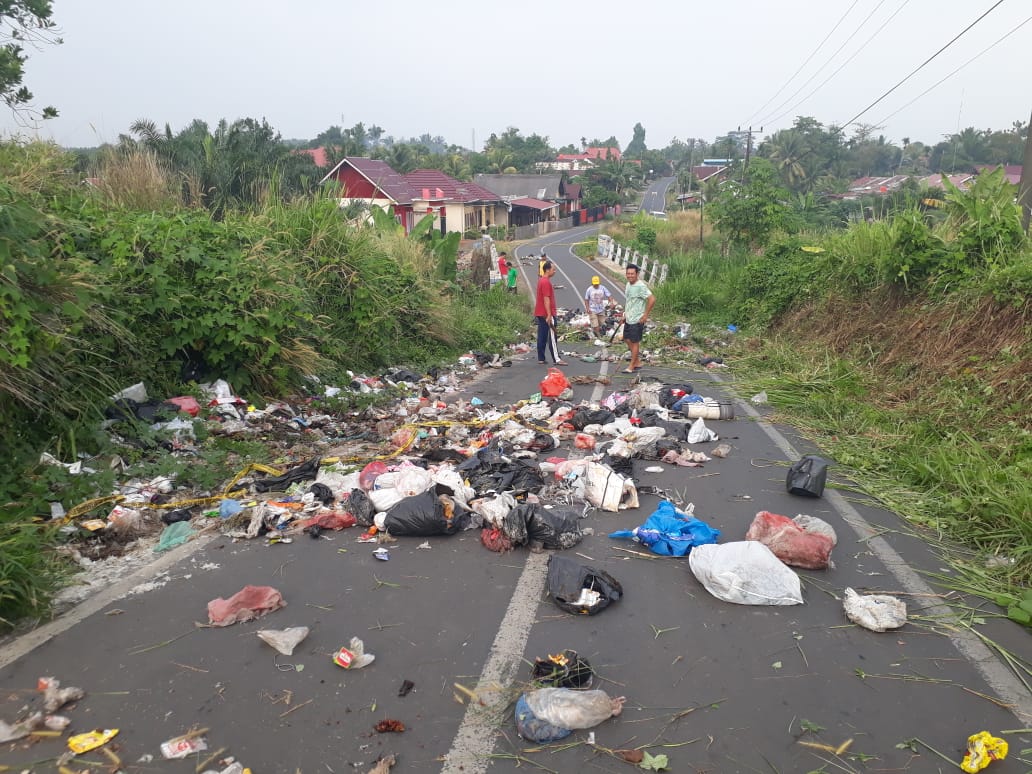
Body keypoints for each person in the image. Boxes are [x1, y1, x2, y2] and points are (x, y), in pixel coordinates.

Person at [619, 263, 654, 373]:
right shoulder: (628, 284)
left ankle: (632, 366)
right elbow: (629, 301)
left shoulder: (641, 286)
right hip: (629, 317)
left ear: (637, 274)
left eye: (632, 274)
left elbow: (652, 299)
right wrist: (625, 314)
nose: (630, 276)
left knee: (635, 342)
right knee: (626, 338)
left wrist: (645, 315)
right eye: (628, 274)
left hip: (637, 319)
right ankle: (637, 361)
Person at [534, 261, 566, 365]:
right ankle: (556, 359)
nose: (555, 271)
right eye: (553, 269)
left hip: (539, 312)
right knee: (552, 336)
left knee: (542, 335)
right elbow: (546, 299)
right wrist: (549, 314)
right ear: (547, 270)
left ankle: (541, 358)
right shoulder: (546, 282)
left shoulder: (541, 280)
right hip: (546, 313)